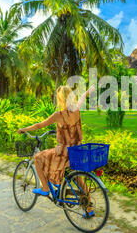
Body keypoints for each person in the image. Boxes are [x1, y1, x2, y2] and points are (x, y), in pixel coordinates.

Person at [17, 85, 96, 217]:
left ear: (60, 99)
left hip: (64, 153)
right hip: (77, 150)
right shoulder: (76, 109)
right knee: (79, 179)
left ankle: (45, 188)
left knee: (37, 157)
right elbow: (82, 97)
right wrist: (88, 92)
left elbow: (39, 125)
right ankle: (89, 210)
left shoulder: (58, 115)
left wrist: (24, 129)